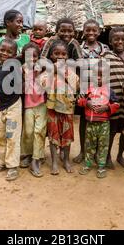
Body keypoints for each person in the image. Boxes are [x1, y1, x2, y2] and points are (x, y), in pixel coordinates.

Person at [40, 40, 79, 175]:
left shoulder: (70, 72)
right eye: (57, 54)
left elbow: (76, 85)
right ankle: (55, 162)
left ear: (67, 57)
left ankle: (67, 161)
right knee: (53, 136)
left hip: (67, 109)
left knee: (67, 136)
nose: (60, 57)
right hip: (52, 109)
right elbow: (42, 85)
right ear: (51, 56)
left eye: (63, 54)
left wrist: (63, 72)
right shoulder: (47, 72)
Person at [73, 19, 109, 164]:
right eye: (88, 30)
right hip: (83, 89)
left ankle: (96, 153)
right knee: (84, 120)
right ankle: (83, 151)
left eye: (94, 30)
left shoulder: (105, 48)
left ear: (99, 32)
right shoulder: (79, 49)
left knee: (99, 120)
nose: (91, 33)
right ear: (83, 31)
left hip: (100, 90)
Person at [77, 61, 119, 179]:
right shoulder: (88, 89)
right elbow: (79, 101)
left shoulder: (109, 90)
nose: (99, 77)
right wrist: (87, 103)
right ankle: (87, 164)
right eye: (96, 74)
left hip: (104, 124)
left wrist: (107, 107)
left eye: (102, 75)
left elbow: (117, 104)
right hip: (90, 123)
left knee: (103, 145)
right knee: (89, 145)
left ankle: (101, 166)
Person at [101, 27, 124, 169]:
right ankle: (107, 155)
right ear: (110, 41)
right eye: (116, 39)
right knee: (112, 129)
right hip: (113, 100)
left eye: (123, 39)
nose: (120, 41)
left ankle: (120, 155)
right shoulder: (106, 56)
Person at [0, 39, 23, 181]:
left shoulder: (14, 67)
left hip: (13, 106)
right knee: (1, 135)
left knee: (12, 136)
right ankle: (3, 162)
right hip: (2, 107)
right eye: (2, 50)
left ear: (15, 55)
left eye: (9, 52)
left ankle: (12, 166)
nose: (4, 53)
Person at [20, 43, 47, 177]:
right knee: (29, 131)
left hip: (41, 104)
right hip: (28, 104)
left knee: (39, 131)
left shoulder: (43, 69)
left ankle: (36, 158)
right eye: (28, 56)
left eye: (34, 56)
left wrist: (40, 73)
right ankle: (28, 154)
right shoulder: (22, 69)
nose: (32, 59)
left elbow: (47, 85)